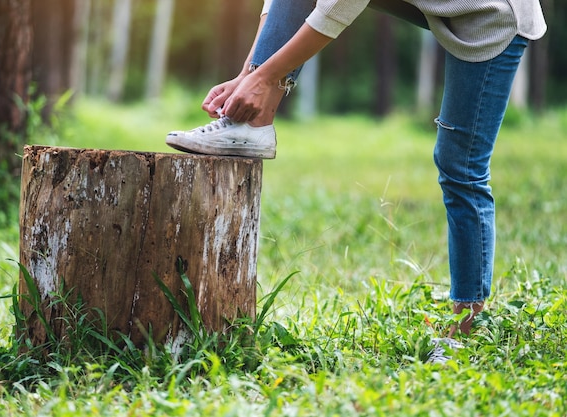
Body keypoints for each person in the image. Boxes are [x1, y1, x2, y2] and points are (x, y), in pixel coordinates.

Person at [166, 0, 547, 363]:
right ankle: (252, 124)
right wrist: (248, 77)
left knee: (461, 167)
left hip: (492, 16)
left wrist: (265, 77)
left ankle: (467, 327)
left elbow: (339, 7)